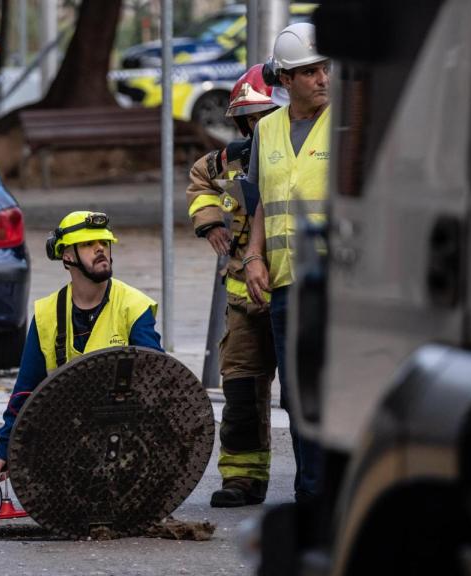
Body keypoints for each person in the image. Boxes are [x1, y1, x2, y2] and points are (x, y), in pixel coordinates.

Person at [0, 211, 163, 476]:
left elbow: (159, 381)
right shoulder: (46, 314)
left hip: (126, 444)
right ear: (67, 256)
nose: (100, 249)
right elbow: (25, 391)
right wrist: (5, 448)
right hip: (69, 446)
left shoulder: (134, 306)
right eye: (88, 244)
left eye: (104, 243)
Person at [186, 64, 280, 507]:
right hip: (244, 298)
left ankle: (315, 485)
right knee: (241, 390)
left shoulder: (309, 155)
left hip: (292, 292)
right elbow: (200, 178)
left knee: (304, 396)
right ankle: (243, 478)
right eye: (250, 120)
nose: (257, 127)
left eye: (265, 117)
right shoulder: (234, 159)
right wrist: (210, 224)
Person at [243, 23, 330, 502]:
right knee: (297, 396)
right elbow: (261, 202)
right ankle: (310, 493)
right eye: (310, 71)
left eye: (324, 68)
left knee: (332, 392)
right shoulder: (267, 130)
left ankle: (328, 495)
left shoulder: (348, 125)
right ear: (286, 79)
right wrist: (254, 255)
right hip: (285, 285)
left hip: (337, 284)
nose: (322, 78)